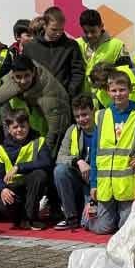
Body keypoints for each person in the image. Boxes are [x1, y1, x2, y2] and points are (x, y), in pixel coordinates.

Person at [88, 71, 135, 233]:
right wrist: (93, 183)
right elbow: (96, 152)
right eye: (114, 90)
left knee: (126, 229)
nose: (118, 94)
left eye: (122, 89)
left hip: (128, 185)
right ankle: (86, 216)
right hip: (105, 185)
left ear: (130, 90)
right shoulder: (101, 115)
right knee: (104, 228)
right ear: (108, 91)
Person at [0, 53, 71, 156]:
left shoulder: (51, 94)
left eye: (27, 76)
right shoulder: (11, 77)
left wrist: (43, 156)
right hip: (31, 109)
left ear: (34, 72)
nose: (23, 81)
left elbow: (55, 131)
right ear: (12, 75)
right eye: (18, 77)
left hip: (53, 116)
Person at [0, 110, 53, 228]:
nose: (19, 130)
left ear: (28, 126)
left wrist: (19, 167)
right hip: (14, 187)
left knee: (40, 174)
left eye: (23, 126)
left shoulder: (39, 141)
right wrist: (2, 190)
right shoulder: (1, 148)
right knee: (1, 204)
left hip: (33, 187)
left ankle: (31, 218)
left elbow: (46, 162)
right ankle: (21, 219)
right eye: (15, 127)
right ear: (9, 129)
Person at [53, 95, 97, 230]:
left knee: (88, 224)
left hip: (97, 181)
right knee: (60, 171)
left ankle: (88, 207)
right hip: (79, 179)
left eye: (85, 115)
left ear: (93, 111)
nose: (81, 120)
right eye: (77, 116)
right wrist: (78, 161)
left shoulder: (103, 128)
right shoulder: (73, 130)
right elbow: (60, 157)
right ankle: (70, 216)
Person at [22, 6, 85, 99]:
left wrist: (69, 93)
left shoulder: (71, 46)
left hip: (64, 101)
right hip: (36, 101)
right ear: (44, 25)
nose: (58, 33)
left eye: (61, 29)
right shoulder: (30, 47)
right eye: (54, 29)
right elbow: (23, 72)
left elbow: (78, 72)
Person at [77, 9, 130, 95]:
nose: (89, 35)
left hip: (107, 101)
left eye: (93, 31)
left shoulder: (118, 45)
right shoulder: (76, 44)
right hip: (83, 101)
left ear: (101, 26)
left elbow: (124, 76)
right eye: (86, 32)